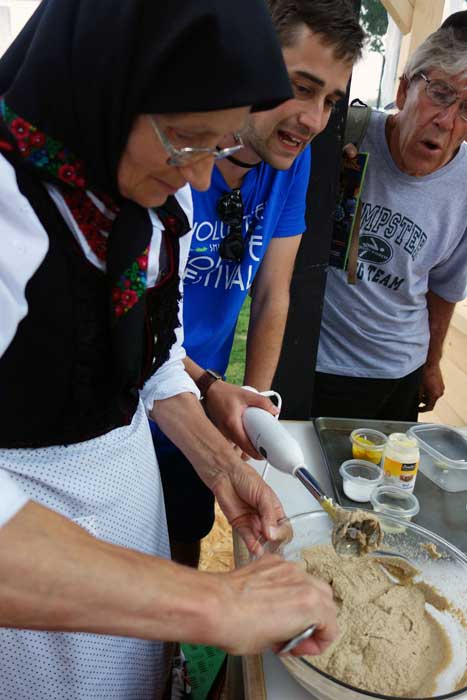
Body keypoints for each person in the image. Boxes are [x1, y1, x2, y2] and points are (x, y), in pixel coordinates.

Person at [0, 1, 339, 698]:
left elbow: (152, 360)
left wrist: (220, 465)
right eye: (188, 139)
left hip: (128, 526)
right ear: (107, 83)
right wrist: (215, 604)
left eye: (216, 146)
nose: (202, 178)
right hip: (35, 597)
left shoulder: (143, 200)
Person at [152, 0, 365, 567]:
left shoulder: (291, 163)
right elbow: (131, 315)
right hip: (143, 390)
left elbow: (274, 293)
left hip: (205, 394)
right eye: (302, 87)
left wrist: (255, 411)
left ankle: (171, 659)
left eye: (331, 102)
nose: (316, 120)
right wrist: (210, 386)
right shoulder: (163, 152)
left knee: (184, 532)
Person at [312, 22, 467, 422]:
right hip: (315, 365)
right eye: (440, 94)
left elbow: (445, 287)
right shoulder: (346, 134)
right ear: (403, 91)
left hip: (399, 375)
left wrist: (431, 365)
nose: (447, 121)